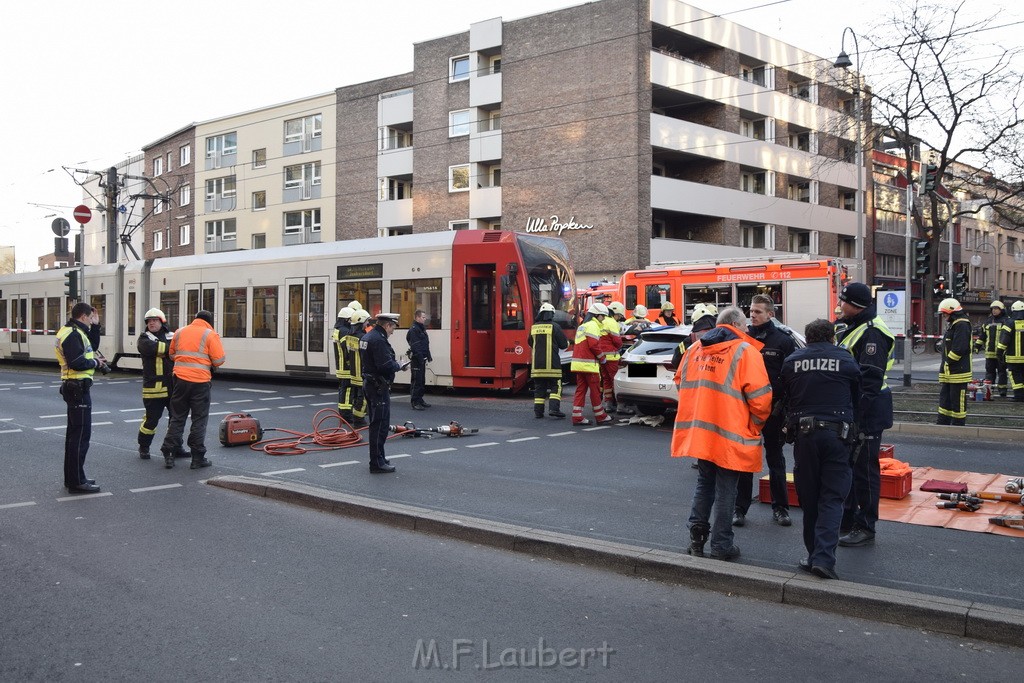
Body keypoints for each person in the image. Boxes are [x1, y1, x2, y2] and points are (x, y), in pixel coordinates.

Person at [671, 306, 772, 561]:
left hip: (701, 432)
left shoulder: (695, 349)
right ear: (738, 326)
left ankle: (696, 539)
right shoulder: (745, 352)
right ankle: (721, 544)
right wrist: (755, 425)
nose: (748, 329)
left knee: (704, 484)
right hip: (730, 433)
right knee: (727, 489)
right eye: (745, 326)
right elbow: (760, 399)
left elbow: (680, 383)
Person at [780, 318, 860, 580]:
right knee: (833, 497)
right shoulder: (846, 360)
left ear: (808, 337)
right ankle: (824, 559)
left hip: (804, 436)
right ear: (831, 338)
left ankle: (814, 555)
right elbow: (858, 398)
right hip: (838, 436)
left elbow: (785, 397)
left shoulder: (792, 361)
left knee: (810, 498)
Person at [834, 282, 895, 548]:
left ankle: (865, 525)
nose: (839, 305)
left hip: (867, 410)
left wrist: (857, 418)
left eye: (842, 301)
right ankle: (848, 518)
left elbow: (870, 380)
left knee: (865, 470)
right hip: (855, 407)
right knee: (851, 467)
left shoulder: (872, 333)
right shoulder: (856, 327)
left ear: (854, 305)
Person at [734, 294, 797, 528]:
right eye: (751, 311)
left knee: (775, 460)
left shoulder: (783, 340)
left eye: (758, 311)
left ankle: (780, 508)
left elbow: (791, 378)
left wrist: (787, 412)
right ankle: (739, 508)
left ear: (771, 314)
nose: (752, 315)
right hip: (746, 410)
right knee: (744, 461)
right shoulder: (744, 337)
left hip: (773, 410)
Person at [55, 302, 110, 493]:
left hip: (75, 387)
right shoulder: (72, 334)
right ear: (83, 316)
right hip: (77, 388)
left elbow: (91, 345)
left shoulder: (72, 331)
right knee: (80, 437)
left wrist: (96, 326)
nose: (90, 321)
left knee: (74, 436)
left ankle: (74, 477)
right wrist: (95, 362)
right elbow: (77, 362)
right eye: (90, 318)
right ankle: (77, 481)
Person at [160, 310, 225, 470]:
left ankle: (169, 453)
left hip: (180, 380)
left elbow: (172, 354)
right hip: (200, 382)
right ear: (209, 321)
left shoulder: (180, 332)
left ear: (194, 319)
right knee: (199, 419)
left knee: (177, 417)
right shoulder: (210, 334)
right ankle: (197, 457)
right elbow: (219, 360)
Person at [360, 312, 410, 473]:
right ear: (387, 325)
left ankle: (379, 457)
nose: (393, 331)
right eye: (393, 327)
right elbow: (384, 365)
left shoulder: (367, 337)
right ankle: (376, 462)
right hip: (377, 387)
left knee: (377, 424)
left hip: (370, 384)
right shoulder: (378, 340)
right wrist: (400, 366)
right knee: (379, 426)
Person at [136, 308, 185, 460]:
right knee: (151, 420)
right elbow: (156, 349)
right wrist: (172, 350)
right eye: (149, 321)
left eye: (154, 320)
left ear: (162, 322)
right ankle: (144, 446)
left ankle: (176, 447)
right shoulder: (144, 338)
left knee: (175, 420)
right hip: (153, 389)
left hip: (173, 387)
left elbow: (179, 350)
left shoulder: (172, 335)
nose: (151, 323)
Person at [570, 303, 613, 426]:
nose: (604, 319)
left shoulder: (583, 326)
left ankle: (577, 417)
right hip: (589, 365)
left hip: (578, 364)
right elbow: (594, 345)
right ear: (596, 315)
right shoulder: (593, 325)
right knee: (595, 391)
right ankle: (601, 416)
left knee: (580, 390)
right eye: (603, 316)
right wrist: (602, 358)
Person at [528, 302, 569, 418]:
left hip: (537, 367)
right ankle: (554, 409)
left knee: (539, 389)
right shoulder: (555, 327)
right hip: (553, 365)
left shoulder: (534, 327)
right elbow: (563, 345)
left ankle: (538, 412)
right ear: (552, 314)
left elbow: (530, 342)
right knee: (556, 386)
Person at [937, 298, 972, 425]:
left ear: (951, 312)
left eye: (945, 313)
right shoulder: (955, 324)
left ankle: (958, 425)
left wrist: (948, 362)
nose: (944, 316)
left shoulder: (962, 324)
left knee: (958, 402)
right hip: (951, 372)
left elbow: (959, 348)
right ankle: (943, 423)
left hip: (958, 372)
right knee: (945, 400)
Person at [333, 307, 359, 423]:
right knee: (348, 391)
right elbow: (346, 348)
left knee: (344, 390)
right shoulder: (344, 331)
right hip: (346, 366)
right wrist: (351, 362)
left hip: (341, 366)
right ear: (347, 319)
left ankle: (343, 414)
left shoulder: (338, 329)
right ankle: (346, 415)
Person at [978, 301, 1009, 398]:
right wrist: (977, 346)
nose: (994, 311)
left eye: (996, 309)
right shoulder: (987, 321)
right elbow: (982, 336)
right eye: (993, 309)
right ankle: (988, 391)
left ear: (1001, 310)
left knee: (1002, 372)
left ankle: (1002, 391)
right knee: (989, 373)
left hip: (1002, 353)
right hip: (989, 354)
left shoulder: (1006, 321)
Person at [599, 301, 625, 414]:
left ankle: (608, 404)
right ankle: (620, 406)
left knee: (606, 381)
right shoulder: (612, 322)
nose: (619, 318)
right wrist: (620, 346)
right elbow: (617, 341)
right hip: (612, 357)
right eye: (619, 316)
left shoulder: (601, 321)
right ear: (615, 313)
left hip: (601, 356)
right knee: (615, 380)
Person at [406, 309, 432, 410]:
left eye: (425, 317)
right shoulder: (414, 329)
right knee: (416, 381)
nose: (425, 319)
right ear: (417, 317)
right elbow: (415, 346)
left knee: (421, 381)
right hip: (417, 360)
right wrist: (420, 357)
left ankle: (420, 399)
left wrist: (428, 355)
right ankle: (415, 401)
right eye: (423, 317)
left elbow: (425, 343)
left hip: (422, 358)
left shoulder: (421, 328)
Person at [999, 301, 1024, 401]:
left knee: (1015, 377)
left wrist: (999, 352)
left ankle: (1019, 396)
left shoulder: (1009, 323)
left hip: (1013, 358)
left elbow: (1004, 339)